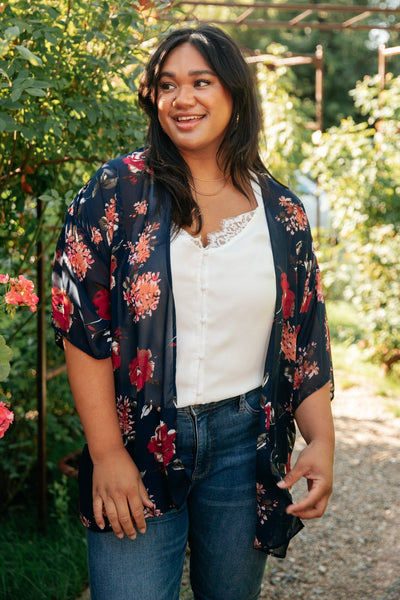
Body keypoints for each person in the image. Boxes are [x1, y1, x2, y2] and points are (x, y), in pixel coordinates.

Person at [51, 25, 334, 600]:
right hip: (136, 439)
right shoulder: (116, 191)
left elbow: (302, 335)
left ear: (233, 92)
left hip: (245, 445)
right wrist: (105, 453)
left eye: (200, 82)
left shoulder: (280, 211)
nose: (183, 100)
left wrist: (320, 441)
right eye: (167, 85)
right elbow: (81, 325)